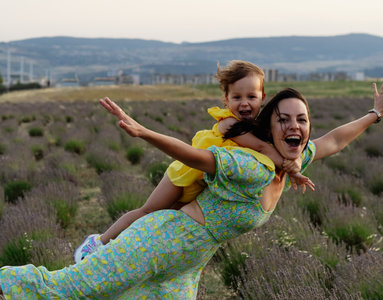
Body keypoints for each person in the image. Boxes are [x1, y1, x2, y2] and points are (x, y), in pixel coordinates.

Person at [0, 76, 383, 298]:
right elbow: (197, 158)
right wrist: (144, 133)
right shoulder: (252, 166)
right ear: (269, 125)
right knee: (66, 289)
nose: (294, 126)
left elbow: (335, 139)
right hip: (158, 241)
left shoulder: (292, 160)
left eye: (301, 119)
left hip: (188, 262)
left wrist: (374, 114)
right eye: (283, 119)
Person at [74, 60, 313, 263]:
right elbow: (264, 149)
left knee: (163, 222)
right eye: (236, 96)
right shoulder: (229, 123)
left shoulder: (259, 126)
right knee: (149, 211)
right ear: (226, 100)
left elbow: (281, 146)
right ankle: (97, 243)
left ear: (263, 98)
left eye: (251, 96)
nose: (244, 103)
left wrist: (295, 161)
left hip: (203, 182)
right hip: (185, 173)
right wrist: (292, 166)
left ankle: (118, 257)